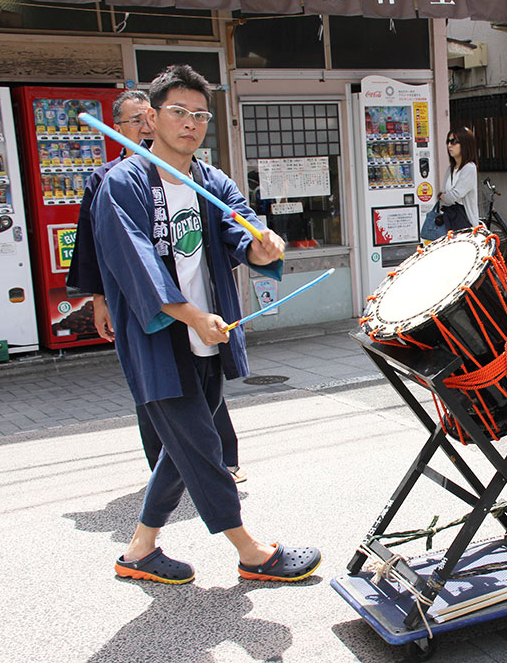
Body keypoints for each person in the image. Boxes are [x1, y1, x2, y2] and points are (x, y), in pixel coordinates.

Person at [92, 65, 320, 584]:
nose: (190, 123)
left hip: (209, 336)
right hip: (158, 337)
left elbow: (239, 225)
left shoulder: (210, 179)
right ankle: (252, 553)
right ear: (150, 117)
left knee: (181, 449)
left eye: (200, 114)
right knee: (201, 445)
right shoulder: (121, 184)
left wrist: (261, 243)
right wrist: (191, 314)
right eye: (178, 111)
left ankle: (138, 551)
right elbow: (135, 265)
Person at [65, 90, 246, 483]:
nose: (144, 127)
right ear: (118, 128)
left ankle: (210, 468)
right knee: (158, 390)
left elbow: (224, 232)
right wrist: (100, 299)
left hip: (199, 310)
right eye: (134, 121)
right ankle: (183, 482)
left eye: (147, 118)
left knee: (206, 392)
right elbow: (103, 250)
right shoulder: (112, 181)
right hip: (146, 309)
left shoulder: (196, 176)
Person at [438, 126, 479, 228]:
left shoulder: (469, 168)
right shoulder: (450, 169)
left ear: (465, 144)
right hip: (450, 220)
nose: (449, 145)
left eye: (454, 141)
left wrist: (443, 196)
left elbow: (453, 196)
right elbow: (445, 196)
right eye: (448, 141)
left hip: (465, 223)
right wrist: (444, 197)